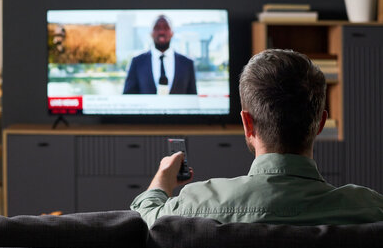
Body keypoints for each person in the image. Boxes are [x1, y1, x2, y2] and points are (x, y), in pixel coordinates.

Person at [131, 49, 383, 227]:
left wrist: (161, 181)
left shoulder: (195, 205)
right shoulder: (371, 209)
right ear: (320, 123)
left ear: (247, 123)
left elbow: (142, 222)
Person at [123, 15, 197, 95]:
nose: (161, 32)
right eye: (157, 28)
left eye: (166, 28)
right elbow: (128, 96)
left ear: (172, 33)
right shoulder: (137, 62)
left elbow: (192, 97)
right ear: (151, 33)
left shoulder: (187, 63)